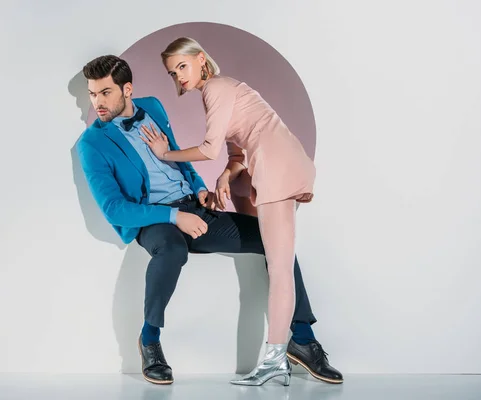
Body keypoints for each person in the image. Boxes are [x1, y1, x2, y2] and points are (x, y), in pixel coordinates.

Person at [76, 54, 343, 386]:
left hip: (193, 206)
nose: (97, 103)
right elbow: (115, 208)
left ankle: (302, 338)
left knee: (273, 242)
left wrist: (201, 190)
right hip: (154, 219)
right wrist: (175, 217)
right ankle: (149, 340)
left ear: (127, 90)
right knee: (173, 250)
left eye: (105, 93)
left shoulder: (154, 108)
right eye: (92, 94)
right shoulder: (91, 143)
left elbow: (181, 161)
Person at [137, 36, 319, 386]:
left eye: (183, 66)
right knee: (272, 254)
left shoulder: (216, 88)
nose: (179, 76)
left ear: (201, 59)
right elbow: (237, 153)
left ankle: (279, 356)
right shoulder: (223, 90)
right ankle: (287, 350)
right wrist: (225, 173)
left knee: (280, 267)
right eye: (173, 72)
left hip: (276, 166)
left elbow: (209, 149)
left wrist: (164, 154)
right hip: (274, 161)